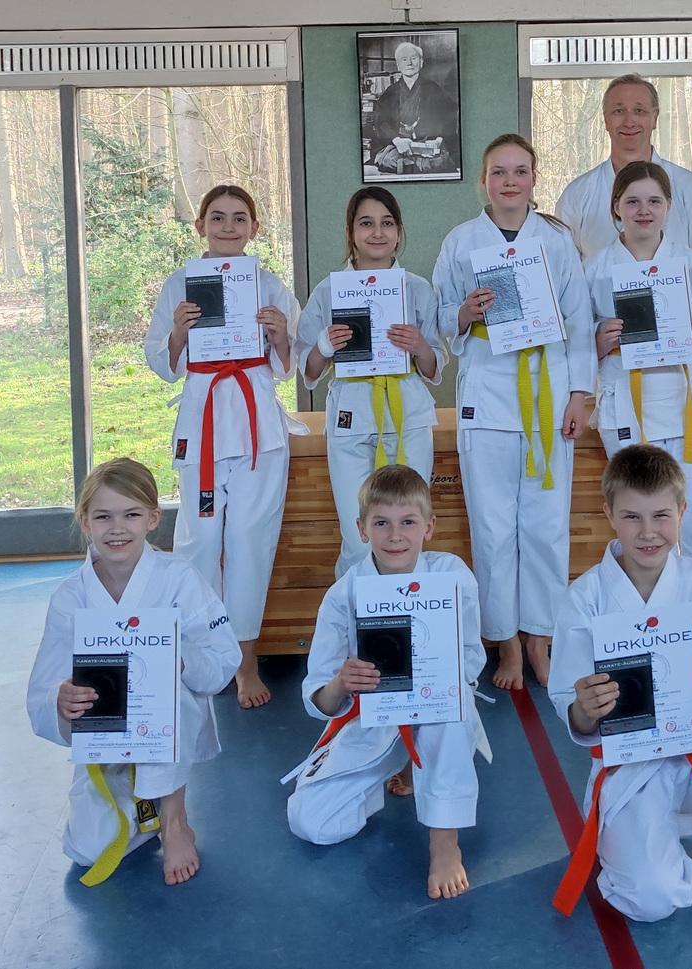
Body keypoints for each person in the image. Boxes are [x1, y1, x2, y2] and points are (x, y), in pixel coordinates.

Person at [548, 444, 692, 922]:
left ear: (682, 511)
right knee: (651, 901)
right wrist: (584, 709)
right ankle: (635, 839)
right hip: (632, 764)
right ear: (609, 514)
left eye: (661, 515)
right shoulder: (586, 597)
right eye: (631, 517)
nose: (648, 532)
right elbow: (570, 707)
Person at [26, 458, 241, 886]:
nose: (117, 528)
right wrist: (60, 698)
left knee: (162, 678)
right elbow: (42, 689)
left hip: (169, 725)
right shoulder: (71, 597)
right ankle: (143, 806)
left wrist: (181, 660)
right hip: (105, 736)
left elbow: (221, 658)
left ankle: (174, 818)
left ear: (153, 519)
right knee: (86, 850)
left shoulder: (179, 578)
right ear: (85, 521)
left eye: (131, 515)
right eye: (103, 516)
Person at [432, 133, 596, 691]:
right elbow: (438, 321)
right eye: (498, 172)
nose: (509, 181)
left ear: (533, 179)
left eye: (520, 171)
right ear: (484, 181)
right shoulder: (461, 242)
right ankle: (504, 643)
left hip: (549, 389)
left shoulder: (556, 240)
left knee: (546, 526)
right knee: (493, 526)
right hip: (488, 392)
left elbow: (579, 321)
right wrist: (465, 312)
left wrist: (580, 394)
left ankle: (540, 639)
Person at [286, 465, 488, 900]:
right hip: (371, 719)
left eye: (408, 522)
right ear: (362, 529)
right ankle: (396, 768)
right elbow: (319, 697)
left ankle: (445, 841)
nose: (395, 536)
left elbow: (471, 658)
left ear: (429, 527)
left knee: (450, 705)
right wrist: (342, 683)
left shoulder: (452, 576)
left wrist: (437, 677)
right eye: (381, 523)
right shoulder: (343, 595)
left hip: (439, 711)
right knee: (310, 822)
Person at [145, 184, 303, 709]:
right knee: (199, 542)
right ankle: (202, 652)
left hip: (258, 428)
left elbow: (289, 366)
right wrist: (178, 333)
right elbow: (162, 364)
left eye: (239, 218)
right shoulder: (180, 284)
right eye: (217, 217)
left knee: (252, 543)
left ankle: (245, 661)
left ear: (255, 228)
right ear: (200, 227)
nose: (228, 226)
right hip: (204, 422)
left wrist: (280, 335)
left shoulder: (270, 284)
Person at [585, 160, 692, 577]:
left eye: (654, 201)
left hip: (691, 412)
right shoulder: (595, 270)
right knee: (643, 528)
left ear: (669, 207)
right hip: (627, 410)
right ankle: (651, 610)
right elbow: (577, 344)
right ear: (616, 207)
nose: (644, 210)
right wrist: (599, 342)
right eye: (632, 201)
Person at [295, 187, 444, 579]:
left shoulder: (417, 288)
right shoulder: (328, 291)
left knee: (408, 527)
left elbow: (433, 367)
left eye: (387, 223)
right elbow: (308, 370)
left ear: (399, 231)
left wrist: (419, 347)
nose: (377, 233)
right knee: (358, 533)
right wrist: (324, 346)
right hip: (351, 416)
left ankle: (408, 605)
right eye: (366, 223)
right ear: (351, 232)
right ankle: (357, 613)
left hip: (408, 415)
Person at [556, 74, 692, 261]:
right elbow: (563, 271)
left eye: (639, 111)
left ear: (655, 118)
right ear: (606, 120)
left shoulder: (691, 190)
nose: (629, 121)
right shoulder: (577, 196)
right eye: (618, 111)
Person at [370, 41, 459, 176]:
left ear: (421, 62)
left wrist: (439, 138)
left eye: (413, 58)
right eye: (404, 59)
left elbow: (449, 116)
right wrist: (396, 140)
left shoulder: (434, 89)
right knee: (389, 160)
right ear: (398, 65)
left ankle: (415, 164)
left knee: (438, 162)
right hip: (399, 145)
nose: (409, 63)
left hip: (428, 143)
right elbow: (381, 121)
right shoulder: (390, 92)